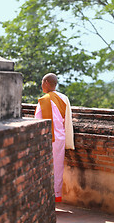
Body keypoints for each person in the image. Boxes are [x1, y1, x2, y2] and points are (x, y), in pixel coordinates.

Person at [35, 73, 74, 203]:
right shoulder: (64, 98)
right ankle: (56, 195)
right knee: (58, 168)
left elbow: (37, 122)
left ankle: (46, 197)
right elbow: (67, 120)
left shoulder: (44, 100)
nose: (41, 86)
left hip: (47, 139)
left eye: (42, 83)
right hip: (60, 138)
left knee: (44, 168)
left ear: (46, 82)